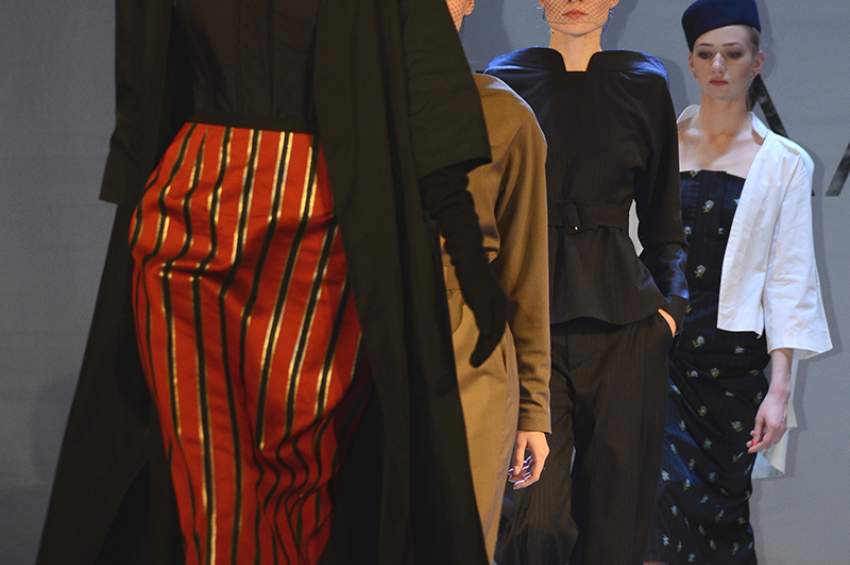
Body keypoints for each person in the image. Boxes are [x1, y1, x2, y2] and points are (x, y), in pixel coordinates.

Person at [37, 1, 507, 564]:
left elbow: (425, 80)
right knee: (215, 487)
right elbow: (146, 80)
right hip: (194, 226)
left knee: (296, 482)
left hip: (313, 234)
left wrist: (469, 255)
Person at [486, 1, 689, 564]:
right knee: (533, 522)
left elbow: (664, 223)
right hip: (531, 330)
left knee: (617, 524)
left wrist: (668, 315)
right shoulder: (504, 80)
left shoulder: (644, 83)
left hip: (626, 327)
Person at [645, 1, 832, 564]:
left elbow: (789, 280)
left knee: (719, 522)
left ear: (757, 61)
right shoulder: (656, 146)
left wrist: (780, 390)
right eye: (706, 54)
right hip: (656, 351)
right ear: (691, 62)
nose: (718, 66)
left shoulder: (786, 163)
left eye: (732, 53)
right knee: (650, 503)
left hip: (731, 366)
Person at [445, 1, 551, 562]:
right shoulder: (342, 104)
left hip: (470, 356)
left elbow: (524, 272)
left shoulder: (505, 115)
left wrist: (533, 407)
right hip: (358, 345)